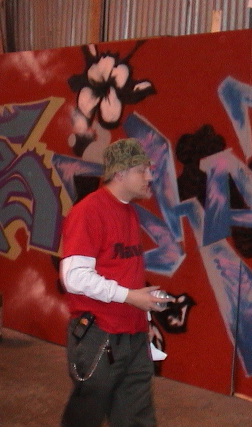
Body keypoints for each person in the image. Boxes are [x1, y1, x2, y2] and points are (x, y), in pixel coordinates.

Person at [60, 138, 172, 427]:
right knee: (85, 417)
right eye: (142, 170)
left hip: (133, 335)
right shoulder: (89, 212)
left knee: (136, 418)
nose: (149, 177)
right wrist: (130, 297)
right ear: (120, 173)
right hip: (100, 335)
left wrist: (142, 312)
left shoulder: (129, 211)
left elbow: (123, 271)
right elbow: (73, 277)